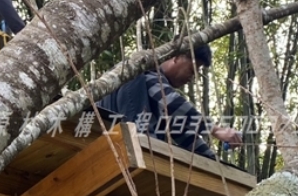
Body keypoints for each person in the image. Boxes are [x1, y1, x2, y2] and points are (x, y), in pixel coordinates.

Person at [98, 44, 243, 159]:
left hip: (135, 145)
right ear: (177, 57)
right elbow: (172, 103)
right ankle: (146, 147)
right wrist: (215, 130)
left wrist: (211, 159)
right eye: (192, 70)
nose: (191, 78)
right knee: (137, 78)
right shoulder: (144, 71)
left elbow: (183, 131)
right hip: (107, 134)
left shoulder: (156, 97)